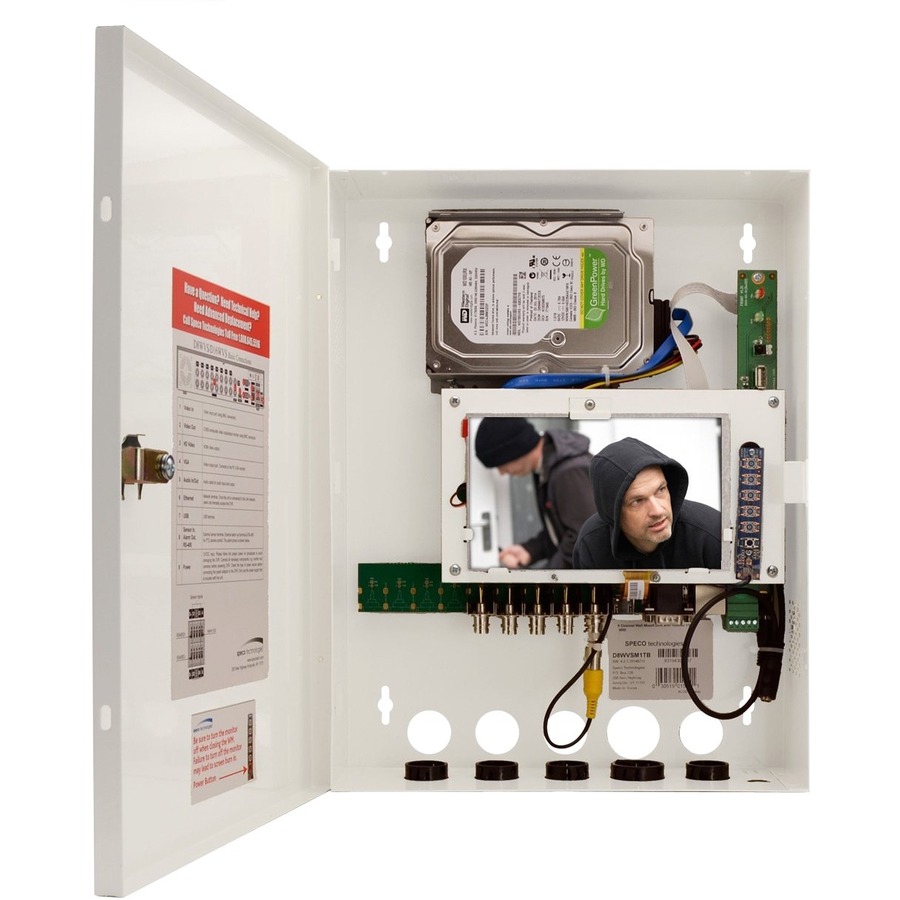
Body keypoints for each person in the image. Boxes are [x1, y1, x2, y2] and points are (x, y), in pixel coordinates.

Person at [573, 436, 721, 569]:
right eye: (637, 501)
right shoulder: (591, 544)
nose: (657, 511)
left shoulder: (712, 536)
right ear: (613, 511)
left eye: (660, 490)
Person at [474, 417, 594, 569]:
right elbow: (564, 531)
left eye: (501, 464)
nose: (502, 472)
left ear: (515, 450)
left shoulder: (568, 472)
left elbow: (585, 539)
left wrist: (546, 578)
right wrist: (530, 550)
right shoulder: (549, 466)